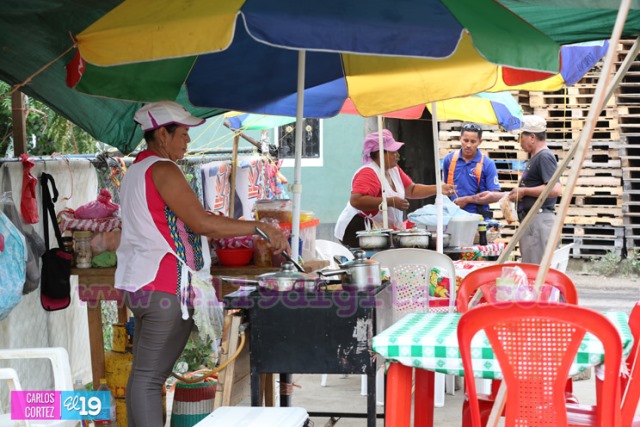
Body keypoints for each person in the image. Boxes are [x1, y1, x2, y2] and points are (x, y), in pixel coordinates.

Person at [115, 101, 289, 427]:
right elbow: (200, 223)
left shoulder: (136, 170)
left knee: (147, 377)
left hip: (142, 286)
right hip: (163, 287)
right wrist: (258, 226)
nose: (188, 141)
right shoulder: (162, 170)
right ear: (162, 135)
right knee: (149, 380)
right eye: (182, 134)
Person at [334, 129, 456, 248]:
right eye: (393, 152)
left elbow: (411, 190)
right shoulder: (368, 173)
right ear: (380, 154)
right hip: (357, 229)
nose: (397, 155)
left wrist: (438, 188)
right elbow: (356, 201)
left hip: (378, 230)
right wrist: (390, 201)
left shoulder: (394, 170)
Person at [508, 115, 562, 264]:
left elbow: (555, 189)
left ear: (532, 137)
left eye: (521, 137)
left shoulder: (544, 157)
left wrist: (524, 192)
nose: (520, 141)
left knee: (535, 272)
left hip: (538, 222)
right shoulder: (536, 158)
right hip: (533, 222)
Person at [442, 123, 502, 219]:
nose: (468, 145)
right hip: (452, 217)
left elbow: (494, 195)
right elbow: (445, 188)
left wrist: (468, 200)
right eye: (465, 140)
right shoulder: (449, 160)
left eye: (473, 141)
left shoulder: (488, 164)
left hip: (478, 218)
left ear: (480, 142)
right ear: (460, 138)